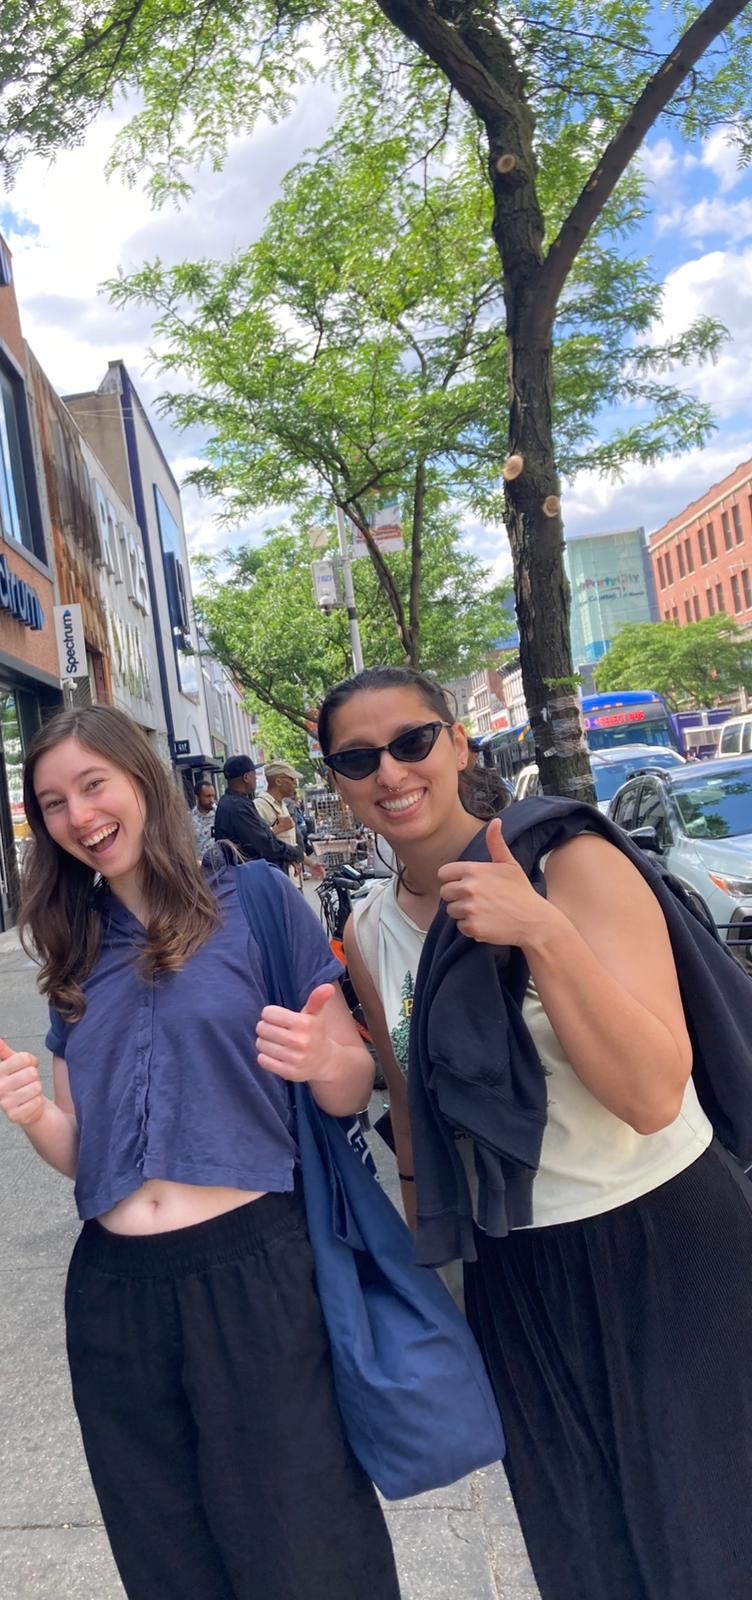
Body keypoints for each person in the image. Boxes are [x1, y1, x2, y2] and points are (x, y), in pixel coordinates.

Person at [318, 663, 752, 1600]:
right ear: (338, 782)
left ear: (457, 742)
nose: (390, 772)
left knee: (709, 1537)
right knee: (582, 1551)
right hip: (515, 1266)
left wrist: (542, 936)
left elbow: (651, 1093)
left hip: (665, 1239)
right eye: (357, 758)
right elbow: (417, 1135)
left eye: (411, 741)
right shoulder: (368, 933)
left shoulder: (569, 862)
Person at [0, 705, 399, 1600]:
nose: (79, 814)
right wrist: (32, 1117)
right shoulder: (76, 945)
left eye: (94, 784)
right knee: (166, 1553)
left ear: (143, 781)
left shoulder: (254, 901)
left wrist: (326, 1056)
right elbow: (86, 1156)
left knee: (303, 1543)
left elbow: (349, 1081)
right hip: (114, 1291)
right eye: (53, 802)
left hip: (252, 1270)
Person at [213, 753, 322, 878]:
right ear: (246, 777)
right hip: (253, 879)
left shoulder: (238, 803)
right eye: (254, 775)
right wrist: (293, 854)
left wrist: (292, 858)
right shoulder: (238, 807)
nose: (256, 779)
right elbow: (263, 844)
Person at [255, 760, 325, 887]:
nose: (295, 783)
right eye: (291, 779)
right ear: (278, 782)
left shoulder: (282, 805)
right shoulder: (260, 805)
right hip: (277, 880)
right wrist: (276, 829)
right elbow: (258, 843)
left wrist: (310, 863)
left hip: (292, 879)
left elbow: (290, 844)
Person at [191, 778, 217, 857]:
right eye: (207, 796)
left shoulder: (220, 814)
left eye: (213, 796)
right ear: (197, 797)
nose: (211, 800)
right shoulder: (188, 820)